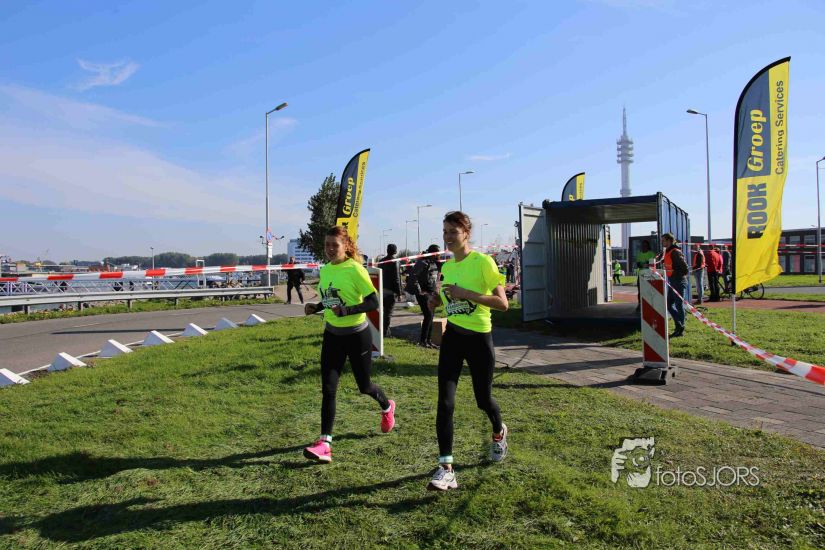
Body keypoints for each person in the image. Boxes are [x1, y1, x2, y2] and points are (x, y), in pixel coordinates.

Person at [425, 211, 509, 492]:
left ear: (466, 234)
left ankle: (498, 431)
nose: (448, 237)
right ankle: (446, 468)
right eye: (445, 232)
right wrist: (436, 301)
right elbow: (448, 300)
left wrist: (467, 294)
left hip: (479, 340)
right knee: (445, 401)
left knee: (483, 400)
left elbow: (502, 303)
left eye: (453, 232)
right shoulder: (447, 267)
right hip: (453, 338)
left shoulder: (483, 262)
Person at [302, 226, 396, 463]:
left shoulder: (355, 269)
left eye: (335, 245)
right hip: (332, 335)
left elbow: (373, 302)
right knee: (328, 389)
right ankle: (325, 444)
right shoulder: (326, 270)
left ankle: (387, 406)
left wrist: (347, 311)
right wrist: (317, 307)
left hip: (357, 335)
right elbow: (330, 299)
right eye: (327, 245)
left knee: (364, 386)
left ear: (346, 246)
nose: (330, 249)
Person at [406, 244, 441, 348]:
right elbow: (413, 276)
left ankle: (429, 341)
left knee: (431, 316)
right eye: (437, 252)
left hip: (432, 293)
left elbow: (435, 277)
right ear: (432, 253)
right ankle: (423, 341)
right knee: (428, 315)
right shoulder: (422, 262)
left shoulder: (435, 263)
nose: (439, 254)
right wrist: (420, 291)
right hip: (423, 293)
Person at [661, 232, 689, 337]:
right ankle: (679, 324)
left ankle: (680, 328)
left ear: (669, 241)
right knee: (668, 305)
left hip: (679, 281)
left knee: (678, 305)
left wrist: (676, 274)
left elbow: (685, 268)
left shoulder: (675, 252)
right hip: (672, 281)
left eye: (663, 240)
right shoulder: (667, 251)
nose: (662, 242)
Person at [378, 243, 402, 337]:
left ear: (387, 250)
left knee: (382, 312)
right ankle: (385, 333)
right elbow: (397, 278)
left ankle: (384, 330)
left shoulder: (381, 261)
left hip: (381, 290)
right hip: (390, 291)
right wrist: (399, 293)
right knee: (388, 313)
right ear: (395, 251)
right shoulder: (395, 262)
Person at [635, 240, 656, 311]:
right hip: (641, 274)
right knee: (640, 290)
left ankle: (650, 304)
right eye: (643, 245)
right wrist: (645, 264)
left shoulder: (651, 253)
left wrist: (644, 264)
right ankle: (640, 304)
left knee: (649, 290)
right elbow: (638, 265)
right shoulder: (639, 254)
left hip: (649, 274)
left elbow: (651, 263)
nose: (644, 247)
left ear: (648, 246)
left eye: (645, 245)